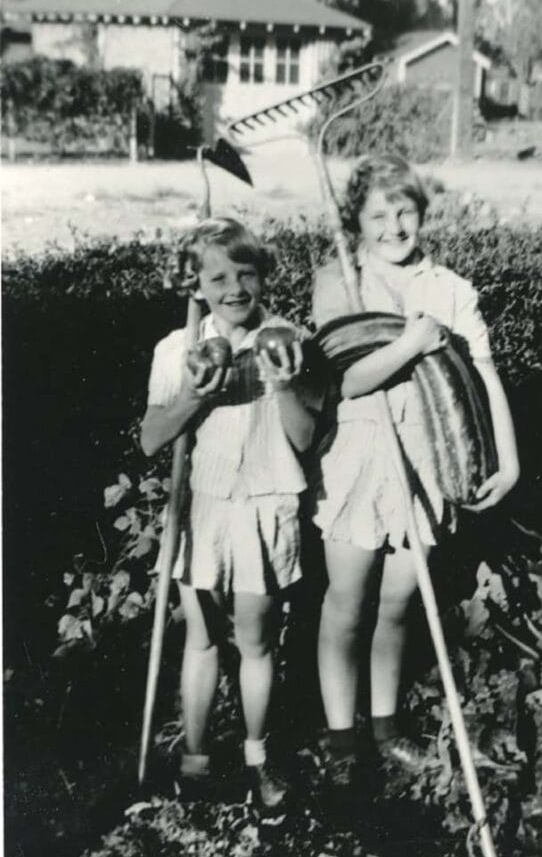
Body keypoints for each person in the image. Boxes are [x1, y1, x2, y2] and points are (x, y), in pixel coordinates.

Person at [311, 153, 520, 788]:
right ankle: (341, 737)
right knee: (347, 601)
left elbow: (485, 376)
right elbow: (343, 382)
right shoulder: (338, 282)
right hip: (357, 459)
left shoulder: (449, 289)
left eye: (403, 210)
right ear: (356, 223)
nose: (393, 225)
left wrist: (508, 461)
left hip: (426, 460)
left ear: (422, 212)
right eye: (377, 214)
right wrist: (407, 344)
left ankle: (384, 727)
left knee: (399, 602)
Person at [141, 217, 315, 807]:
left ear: (264, 276)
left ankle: (257, 756)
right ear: (196, 287)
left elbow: (305, 439)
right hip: (205, 507)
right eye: (218, 277)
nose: (235, 288)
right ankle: (194, 759)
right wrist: (194, 395)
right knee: (201, 637)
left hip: (267, 504)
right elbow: (150, 440)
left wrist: (285, 387)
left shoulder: (291, 341)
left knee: (258, 639)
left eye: (247, 273)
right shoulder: (178, 349)